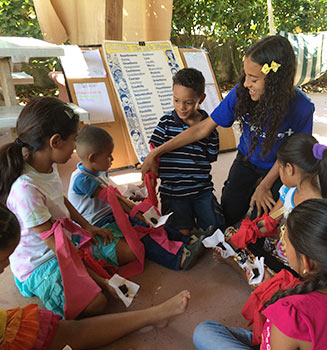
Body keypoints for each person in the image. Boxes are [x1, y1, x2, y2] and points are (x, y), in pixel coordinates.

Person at [142, 35, 315, 227]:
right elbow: (202, 129)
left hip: (279, 166)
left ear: (275, 81)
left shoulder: (302, 108)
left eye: (254, 79)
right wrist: (157, 152)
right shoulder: (242, 92)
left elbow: (293, 154)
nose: (247, 83)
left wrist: (265, 185)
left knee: (260, 221)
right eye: (246, 75)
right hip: (247, 160)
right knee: (229, 215)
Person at [0, 97, 139, 319]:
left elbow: (60, 199)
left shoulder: (47, 165)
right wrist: (100, 279)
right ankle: (54, 286)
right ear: (55, 142)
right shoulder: (26, 190)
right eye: (74, 141)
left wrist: (87, 227)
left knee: (129, 252)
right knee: (96, 303)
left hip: (67, 243)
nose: (75, 148)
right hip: (41, 264)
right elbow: (58, 249)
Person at [0, 203, 191, 350]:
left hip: (58, 255)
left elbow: (68, 252)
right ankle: (154, 315)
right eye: (2, 260)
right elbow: (65, 254)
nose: (7, 265)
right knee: (91, 306)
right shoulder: (28, 194)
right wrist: (102, 282)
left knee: (66, 330)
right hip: (43, 267)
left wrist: (102, 281)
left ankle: (154, 315)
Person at [193, 198, 327, 349]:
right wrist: (268, 287)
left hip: (282, 338)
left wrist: (266, 295)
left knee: (203, 333)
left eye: (284, 238)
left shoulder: (291, 317)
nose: (282, 242)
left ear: (306, 262)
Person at [68, 125, 206, 271]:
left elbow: (115, 198)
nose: (112, 158)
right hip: (101, 224)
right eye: (109, 155)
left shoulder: (97, 171)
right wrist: (139, 215)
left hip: (112, 216)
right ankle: (179, 258)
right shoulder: (83, 179)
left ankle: (189, 241)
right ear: (93, 157)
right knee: (143, 233)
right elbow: (116, 201)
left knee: (153, 224)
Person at [219, 133, 327, 280]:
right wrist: (241, 236)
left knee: (268, 279)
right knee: (247, 247)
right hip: (282, 250)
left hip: (301, 265)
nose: (278, 173)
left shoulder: (318, 207)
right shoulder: (289, 191)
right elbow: (269, 222)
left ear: (289, 168)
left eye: (279, 167)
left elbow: (314, 258)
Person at [149, 67, 224, 236]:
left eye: (188, 102)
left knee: (215, 230)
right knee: (181, 233)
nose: (181, 107)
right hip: (173, 192)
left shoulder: (209, 127)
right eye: (176, 100)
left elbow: (211, 157)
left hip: (201, 190)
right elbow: (153, 152)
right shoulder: (166, 122)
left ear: (201, 99)